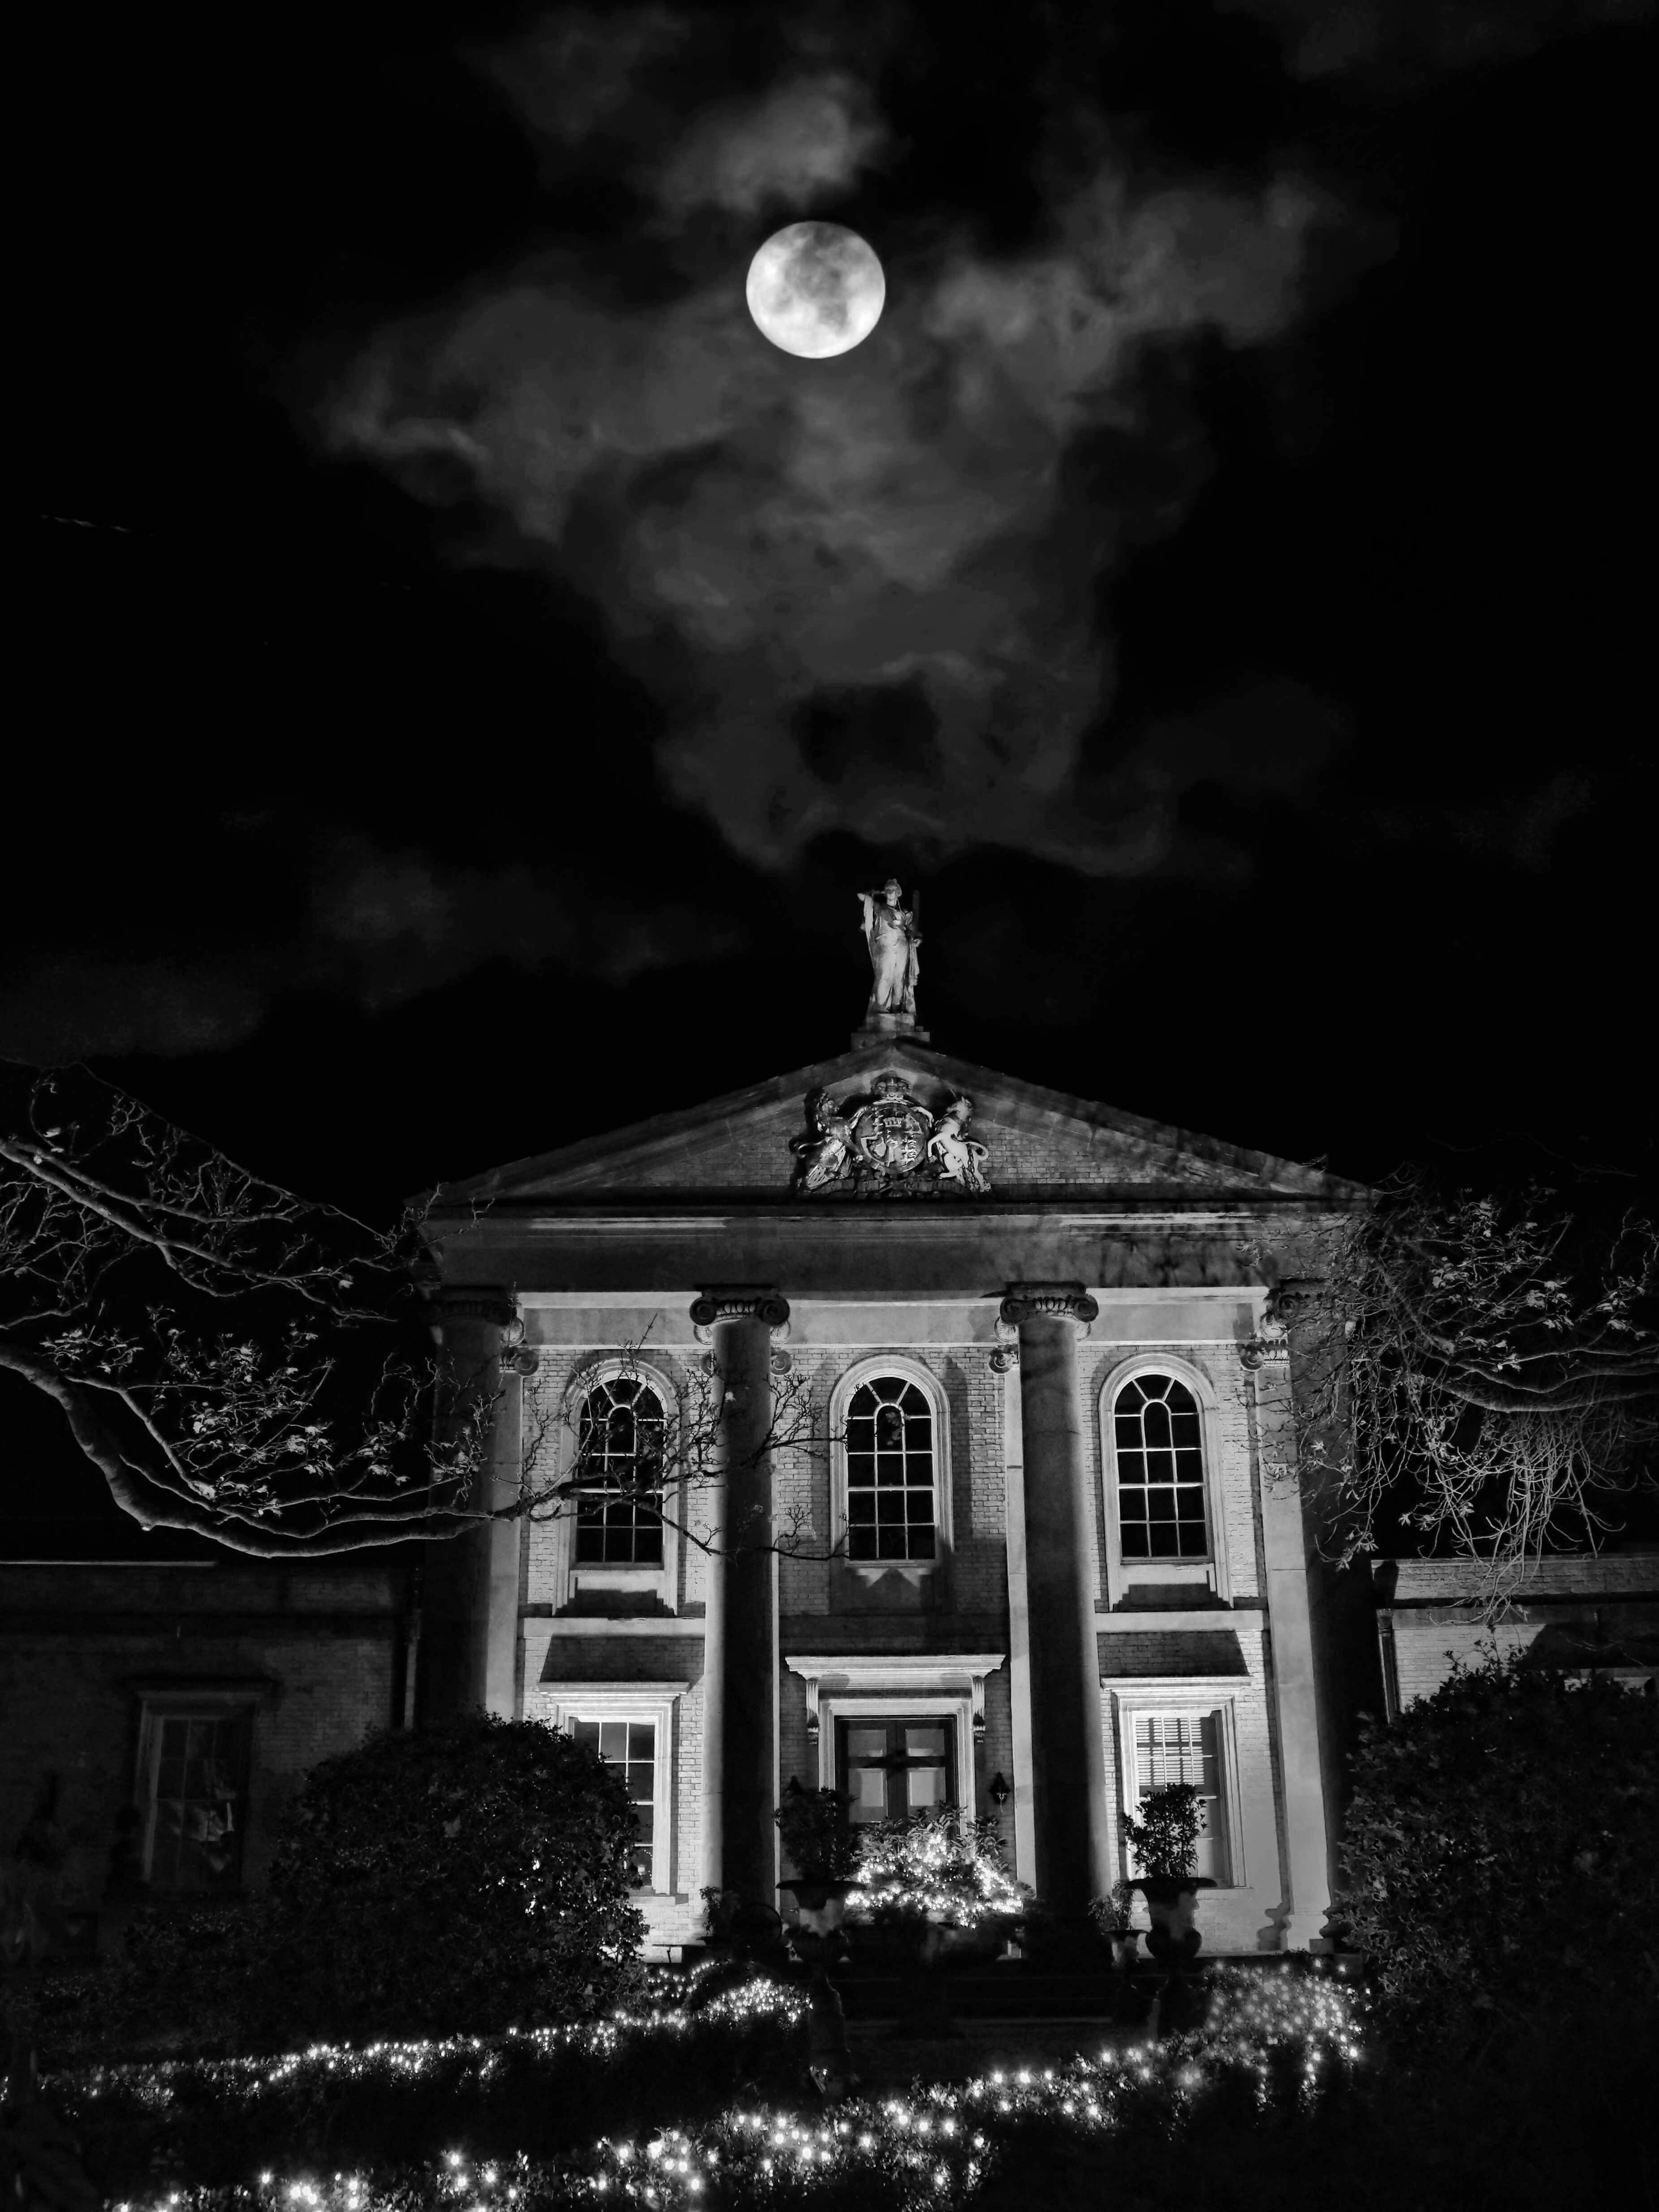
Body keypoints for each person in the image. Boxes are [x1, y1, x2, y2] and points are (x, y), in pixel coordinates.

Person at [857, 880, 920, 1016]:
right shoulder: (880, 908)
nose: (891, 892)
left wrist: (918, 938)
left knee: (900, 977)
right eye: (888, 889)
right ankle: (880, 1008)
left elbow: (914, 930)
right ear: (885, 892)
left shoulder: (905, 913)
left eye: (893, 889)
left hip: (903, 944)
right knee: (885, 975)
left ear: (898, 893)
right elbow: (862, 898)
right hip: (885, 943)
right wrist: (868, 897)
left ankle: (897, 1008)